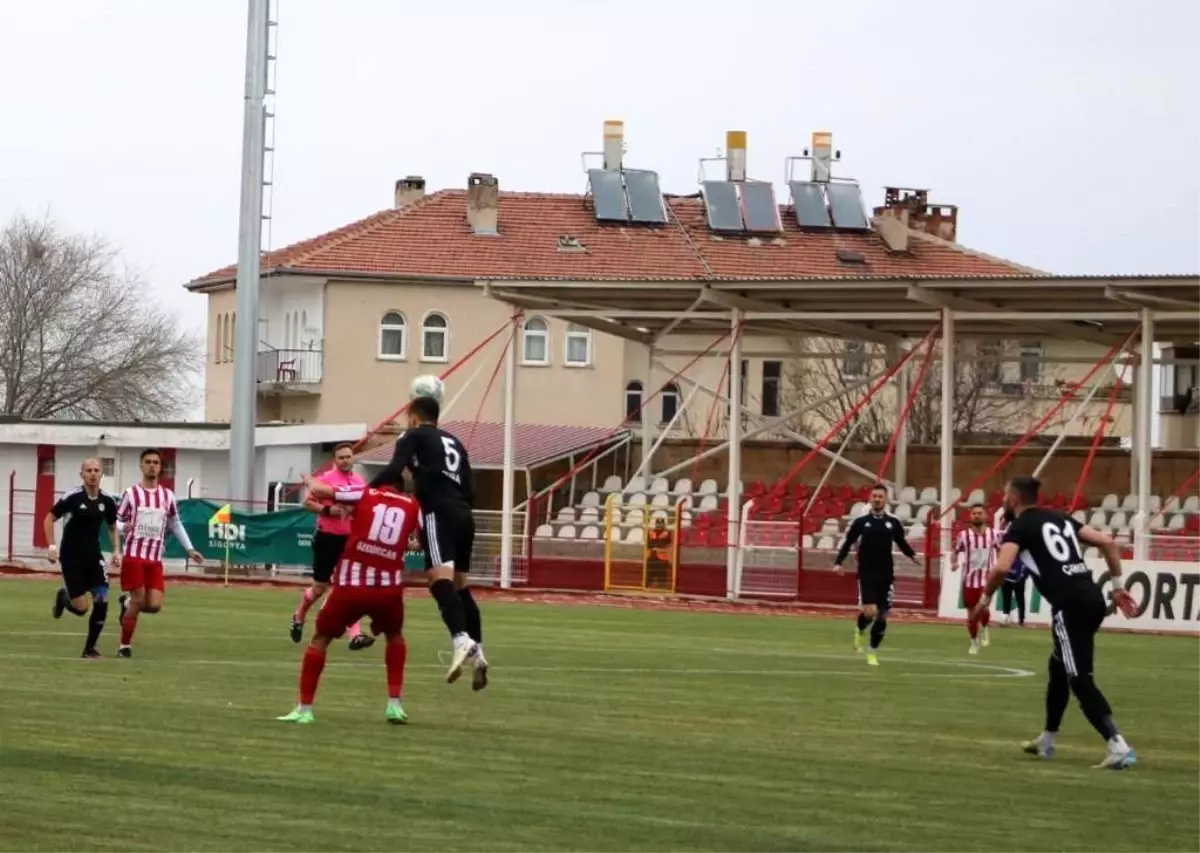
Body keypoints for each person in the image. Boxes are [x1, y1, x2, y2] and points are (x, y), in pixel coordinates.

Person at [970, 475, 1137, 769]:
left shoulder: (1019, 527)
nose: (1004, 502)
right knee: (1057, 667)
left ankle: (1117, 744)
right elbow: (1108, 543)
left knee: (1079, 677)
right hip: (1092, 597)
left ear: (1013, 499)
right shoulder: (1060, 519)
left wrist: (984, 600)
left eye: (1005, 496)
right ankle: (1047, 740)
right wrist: (1118, 586)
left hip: (1070, 605)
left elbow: (1000, 567)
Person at [277, 481, 420, 725]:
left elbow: (323, 492)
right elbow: (425, 536)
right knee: (394, 636)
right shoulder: (413, 506)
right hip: (388, 589)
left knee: (320, 639)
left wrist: (310, 480)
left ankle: (305, 709)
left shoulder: (364, 494)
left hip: (351, 584)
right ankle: (394, 705)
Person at [370, 395, 486, 689]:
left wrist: (366, 492)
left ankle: (461, 641)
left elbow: (394, 469)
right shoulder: (455, 442)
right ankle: (478, 651)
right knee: (460, 585)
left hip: (439, 510)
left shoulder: (412, 434)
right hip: (464, 513)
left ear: (413, 416)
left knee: (438, 578)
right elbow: (470, 486)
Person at [115, 448, 204, 658]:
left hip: (155, 559)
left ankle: (126, 604)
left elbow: (175, 523)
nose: (152, 466)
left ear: (161, 467)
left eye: (156, 462)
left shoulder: (167, 496)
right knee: (138, 598)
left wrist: (190, 549)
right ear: (141, 465)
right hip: (134, 556)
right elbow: (114, 521)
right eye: (148, 462)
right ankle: (124, 646)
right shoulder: (131, 494)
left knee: (153, 605)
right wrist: (122, 527)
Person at [291, 443, 372, 650]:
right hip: (327, 537)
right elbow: (307, 504)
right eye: (341, 457)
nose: (346, 460)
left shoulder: (359, 481)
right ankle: (299, 615)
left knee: (348, 587)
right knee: (319, 588)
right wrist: (329, 511)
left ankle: (355, 634)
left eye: (348, 456)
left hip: (349, 540)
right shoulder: (326, 480)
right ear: (335, 460)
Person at [833, 483, 920, 666]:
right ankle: (859, 628)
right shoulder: (861, 522)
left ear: (886, 499)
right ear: (870, 498)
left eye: (880, 496)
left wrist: (912, 555)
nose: (877, 499)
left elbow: (901, 542)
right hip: (866, 573)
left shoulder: (893, 522)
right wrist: (838, 562)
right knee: (870, 611)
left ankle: (872, 652)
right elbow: (848, 542)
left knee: (882, 616)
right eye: (874, 496)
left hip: (886, 574)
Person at [44, 458, 121, 658]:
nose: (93, 474)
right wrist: (52, 546)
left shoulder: (108, 501)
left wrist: (116, 551)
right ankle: (63, 597)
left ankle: (89, 649)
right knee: (81, 609)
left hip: (94, 559)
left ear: (102, 474)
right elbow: (49, 518)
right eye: (89, 470)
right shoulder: (73, 497)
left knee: (102, 599)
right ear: (82, 474)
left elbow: (113, 526)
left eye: (96, 470)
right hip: (71, 559)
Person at [952, 503, 1000, 655]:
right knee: (972, 615)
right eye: (974, 513)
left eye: (980, 513)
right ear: (970, 516)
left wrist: (998, 567)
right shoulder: (963, 536)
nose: (977, 515)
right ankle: (973, 641)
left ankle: (985, 628)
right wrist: (954, 562)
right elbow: (955, 551)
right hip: (969, 580)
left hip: (987, 579)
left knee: (984, 607)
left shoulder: (994, 534)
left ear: (986, 516)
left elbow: (1000, 550)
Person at [1000, 533, 1029, 626]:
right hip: (1007, 580)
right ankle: (1005, 618)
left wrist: (1022, 577)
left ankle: (1021, 620)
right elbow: (1002, 565)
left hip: (1019, 580)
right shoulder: (1007, 554)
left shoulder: (1024, 556)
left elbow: (1027, 568)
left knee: (1020, 599)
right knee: (1006, 599)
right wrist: (1003, 577)